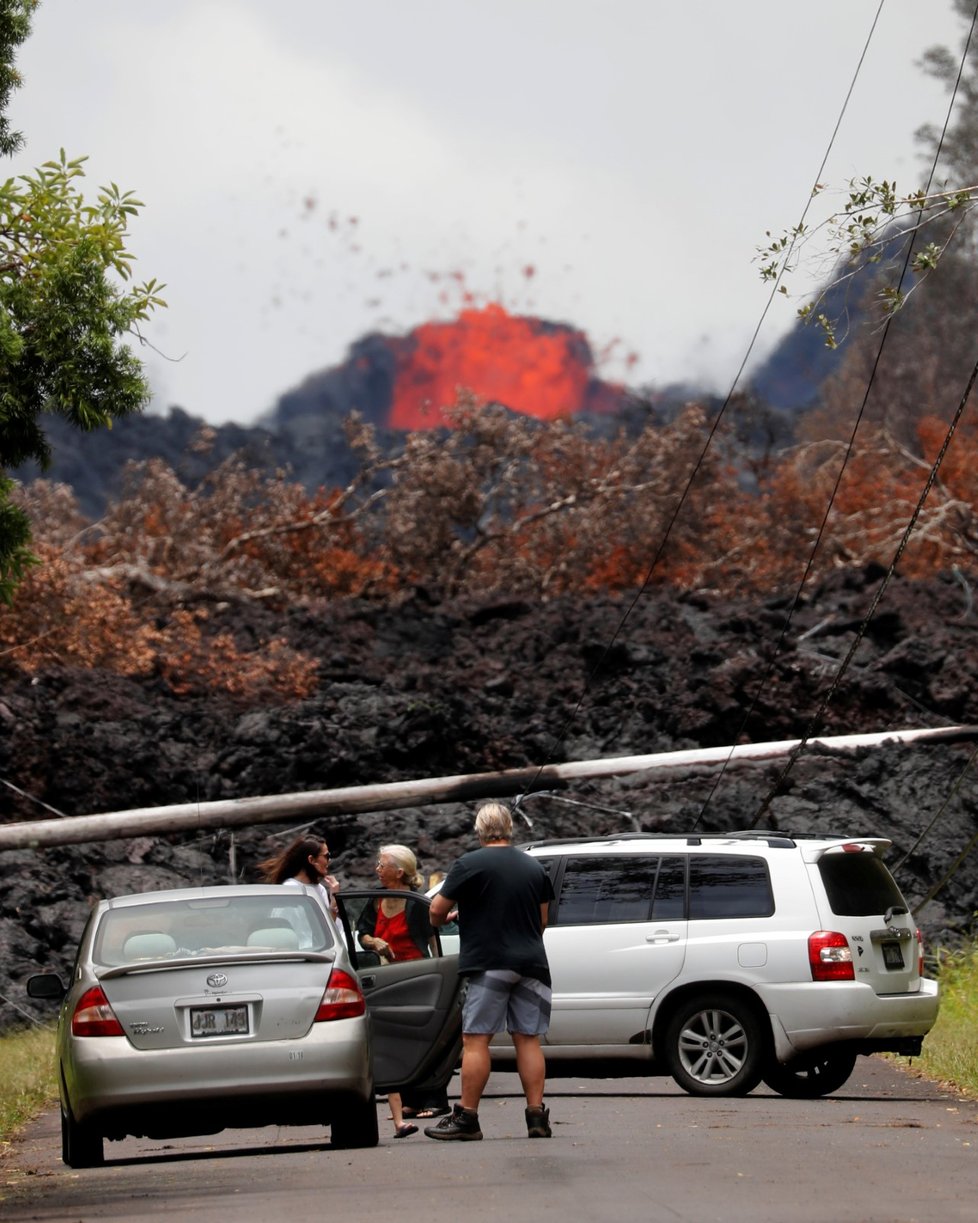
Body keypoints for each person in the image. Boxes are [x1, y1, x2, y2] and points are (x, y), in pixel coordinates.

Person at [424, 801, 555, 1142]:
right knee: (527, 1039)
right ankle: (536, 1116)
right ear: (509, 828)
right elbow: (542, 921)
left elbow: (436, 911)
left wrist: (450, 918)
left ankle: (467, 1117)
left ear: (479, 830)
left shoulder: (469, 864)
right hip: (532, 964)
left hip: (489, 962)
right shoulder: (534, 868)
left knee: (476, 1039)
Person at [356, 843, 434, 1139]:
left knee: (419, 1037)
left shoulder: (414, 902)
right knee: (391, 1040)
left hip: (417, 976)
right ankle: (403, 1108)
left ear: (399, 871)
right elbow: (361, 932)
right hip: (386, 976)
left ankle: (426, 1100)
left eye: (382, 864)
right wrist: (373, 941)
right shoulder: (376, 901)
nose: (377, 869)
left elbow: (432, 939)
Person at [256, 834, 340, 921]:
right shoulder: (290, 890)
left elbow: (327, 929)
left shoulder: (320, 889)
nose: (329, 860)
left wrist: (334, 901)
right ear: (311, 860)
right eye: (327, 856)